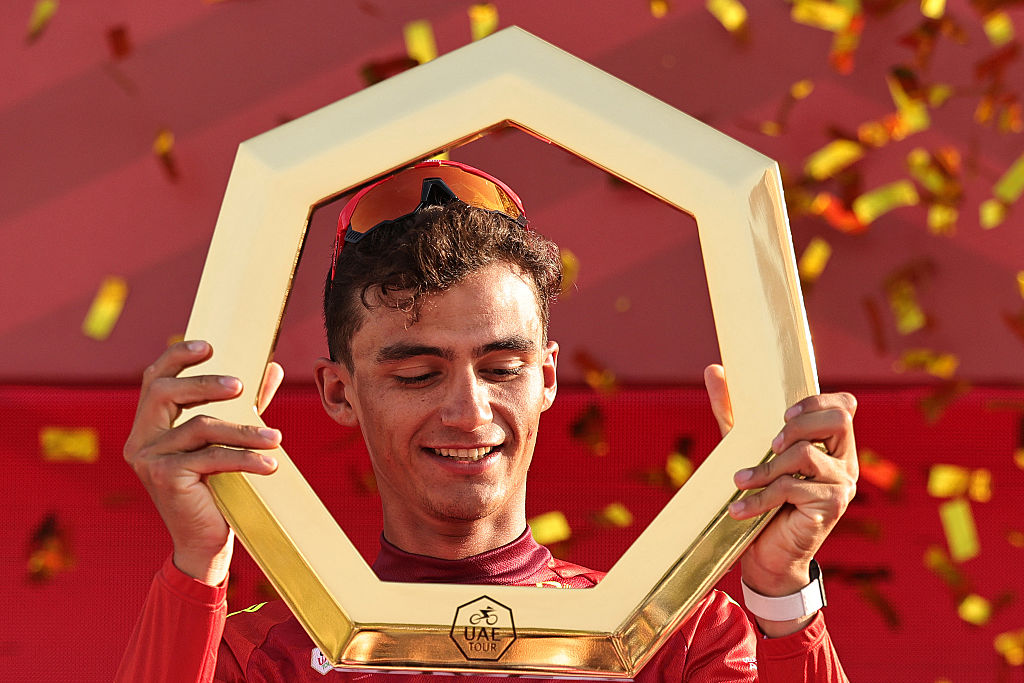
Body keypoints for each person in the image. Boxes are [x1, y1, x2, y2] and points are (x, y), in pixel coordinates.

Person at [117, 160, 858, 682]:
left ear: (547, 378)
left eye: (501, 368)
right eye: (416, 373)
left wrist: (785, 593)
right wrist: (198, 564)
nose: (469, 411)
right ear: (339, 392)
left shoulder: (680, 640)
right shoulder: (260, 656)